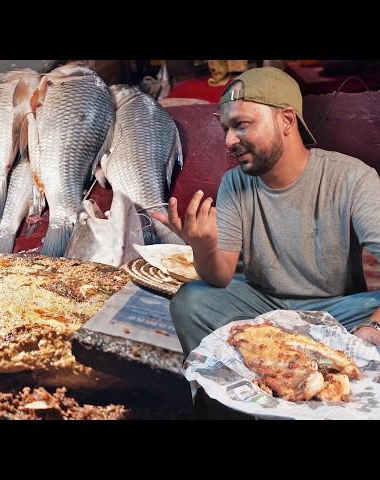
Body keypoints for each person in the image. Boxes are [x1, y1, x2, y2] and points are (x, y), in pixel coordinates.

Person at [153, 66, 380, 357]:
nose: (229, 141)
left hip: (336, 310)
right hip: (261, 304)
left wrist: (374, 326)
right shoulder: (233, 183)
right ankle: (228, 398)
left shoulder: (352, 178)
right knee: (191, 302)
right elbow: (220, 277)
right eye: (226, 129)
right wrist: (203, 246)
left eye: (241, 125)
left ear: (286, 120)